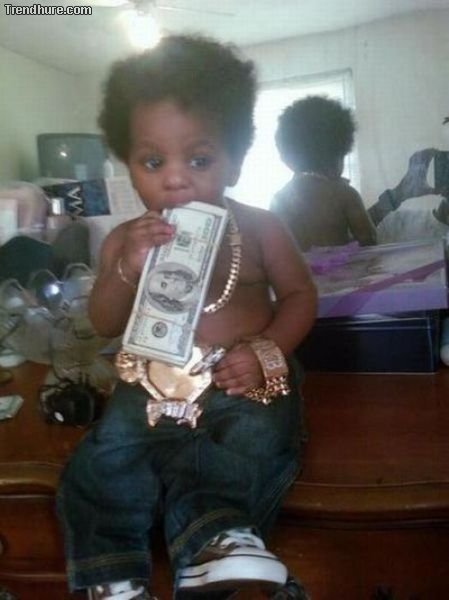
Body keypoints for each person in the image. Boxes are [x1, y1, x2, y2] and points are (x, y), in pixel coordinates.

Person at [56, 35, 317, 600]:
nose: (175, 178)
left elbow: (300, 295)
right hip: (150, 386)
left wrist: (267, 350)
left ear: (236, 161)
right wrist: (127, 267)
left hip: (241, 380)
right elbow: (104, 322)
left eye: (199, 159)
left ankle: (216, 542)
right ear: (128, 166)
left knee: (254, 437)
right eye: (153, 161)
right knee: (105, 457)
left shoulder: (261, 227)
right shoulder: (124, 240)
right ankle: (112, 576)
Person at [270, 95, 377, 251]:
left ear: (288, 157)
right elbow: (369, 240)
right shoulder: (345, 194)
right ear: (336, 156)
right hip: (343, 267)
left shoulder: (279, 199)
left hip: (296, 267)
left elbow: (275, 249)